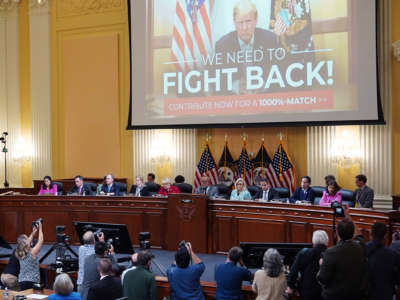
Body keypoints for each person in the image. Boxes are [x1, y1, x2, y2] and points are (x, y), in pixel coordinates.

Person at [214, 0, 279, 95]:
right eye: (240, 22)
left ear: (256, 21)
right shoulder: (223, 45)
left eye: (248, 21)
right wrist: (236, 86)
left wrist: (264, 85)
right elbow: (220, 80)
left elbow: (278, 72)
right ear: (234, 23)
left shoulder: (270, 40)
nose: (244, 27)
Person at [317, 218, 368, 300]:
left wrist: (321, 265)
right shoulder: (361, 247)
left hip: (335, 296)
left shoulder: (331, 252)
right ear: (352, 233)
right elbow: (359, 235)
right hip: (357, 295)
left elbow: (322, 279)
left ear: (337, 233)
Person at [287, 230, 329, 300]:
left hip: (306, 292)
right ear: (327, 242)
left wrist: (291, 286)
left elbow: (293, 272)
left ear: (313, 242)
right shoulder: (331, 255)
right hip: (325, 293)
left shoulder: (303, 253)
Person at [365, 222, 400, 300]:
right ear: (385, 236)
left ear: (371, 234)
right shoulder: (393, 255)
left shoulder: (362, 250)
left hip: (367, 295)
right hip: (386, 295)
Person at [15, 221, 43, 290]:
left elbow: (26, 243)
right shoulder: (33, 252)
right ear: (27, 243)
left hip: (21, 282)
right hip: (33, 282)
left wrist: (33, 232)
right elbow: (41, 241)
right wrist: (40, 228)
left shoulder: (18, 252)